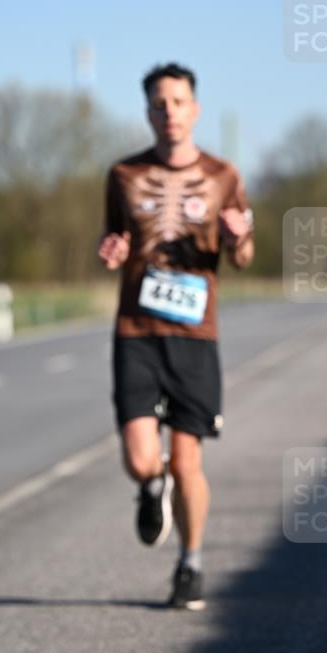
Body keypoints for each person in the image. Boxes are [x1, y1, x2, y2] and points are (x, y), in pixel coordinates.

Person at [98, 63, 254, 610]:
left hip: (195, 333)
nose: (169, 112)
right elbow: (113, 237)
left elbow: (243, 254)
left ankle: (190, 564)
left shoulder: (224, 175)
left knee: (187, 461)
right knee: (143, 459)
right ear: (148, 112)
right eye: (159, 104)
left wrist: (239, 240)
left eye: (179, 102)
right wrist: (111, 250)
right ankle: (149, 486)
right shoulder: (122, 173)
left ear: (195, 109)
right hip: (136, 331)